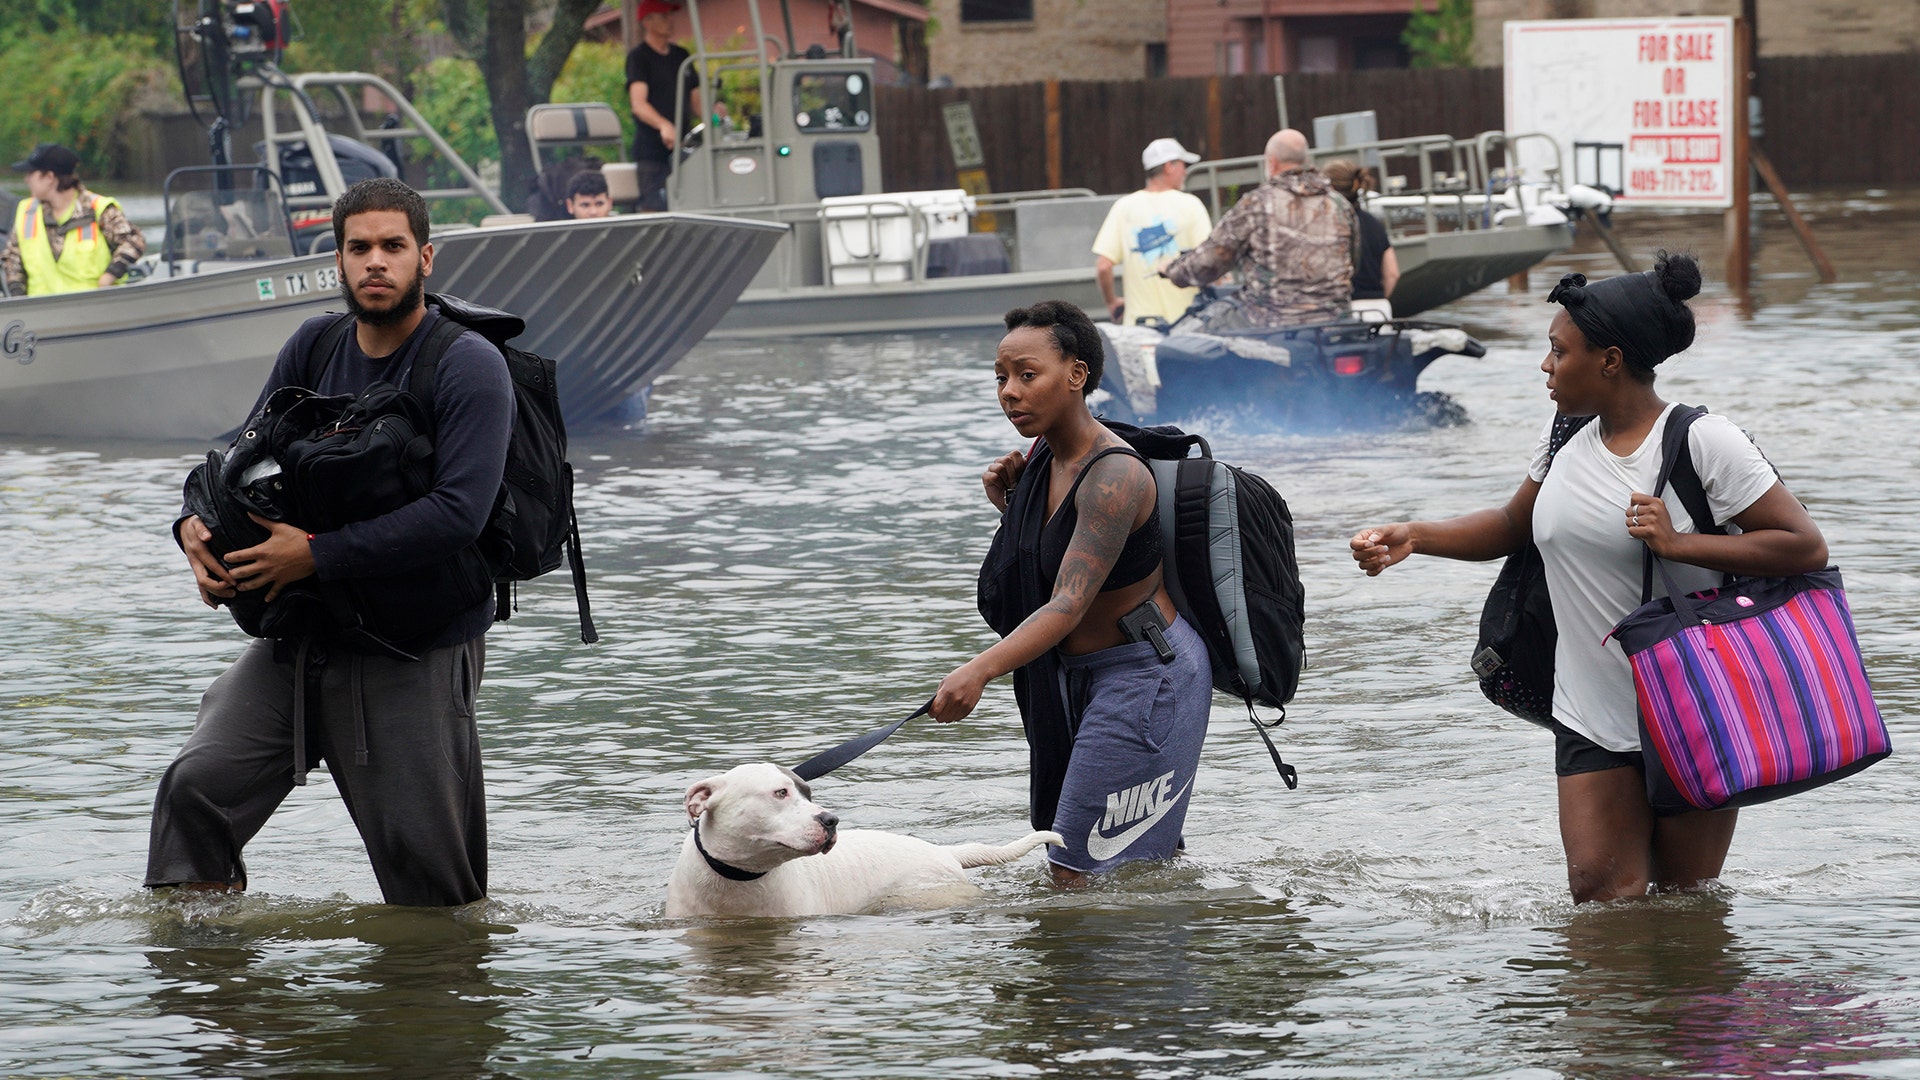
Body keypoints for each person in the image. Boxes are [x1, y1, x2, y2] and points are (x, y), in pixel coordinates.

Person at [1348, 253, 1828, 904]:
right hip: (1589, 712)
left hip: (1696, 706)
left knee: (1686, 904)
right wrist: (1417, 536)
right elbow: (1515, 523)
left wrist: (1678, 541)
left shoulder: (1702, 441)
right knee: (1601, 896)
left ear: (1609, 360)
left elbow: (1804, 547)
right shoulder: (1567, 436)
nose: (1545, 367)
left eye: (1558, 352)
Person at [146, 177, 516, 907]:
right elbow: (240, 461)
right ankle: (206, 985)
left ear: (426, 258)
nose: (375, 262)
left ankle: (436, 1008)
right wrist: (192, 522)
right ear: (338, 262)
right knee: (197, 789)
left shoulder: (468, 364)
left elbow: (457, 514)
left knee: (429, 881)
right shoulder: (314, 344)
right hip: (304, 632)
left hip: (415, 644)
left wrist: (315, 553)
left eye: (393, 247)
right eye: (359, 248)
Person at [933, 300, 1213, 886]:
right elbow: (1042, 560)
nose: (1009, 392)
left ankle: (1133, 966)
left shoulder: (1112, 476)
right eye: (1001, 378)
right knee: (1107, 858)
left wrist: (978, 671)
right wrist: (1008, 505)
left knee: (1075, 870)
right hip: (1071, 678)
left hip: (1144, 675)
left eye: (1027, 375)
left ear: (1077, 374)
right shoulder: (1042, 460)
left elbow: (1066, 603)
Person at [1164, 129, 1357, 330]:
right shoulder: (1339, 204)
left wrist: (1173, 271)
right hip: (1336, 322)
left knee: (1196, 336)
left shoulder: (1258, 204)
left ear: (1271, 162)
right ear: (1305, 160)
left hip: (1274, 325)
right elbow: (1353, 260)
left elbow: (1210, 261)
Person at [1090, 138, 1212, 326]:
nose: (1186, 171)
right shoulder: (1191, 205)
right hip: (1188, 323)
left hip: (1140, 326)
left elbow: (1103, 266)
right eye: (1182, 165)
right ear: (1169, 166)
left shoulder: (1124, 207)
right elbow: (1208, 260)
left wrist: (1111, 301)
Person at [2, 143, 145, 297]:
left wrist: (108, 277)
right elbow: (12, 259)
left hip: (95, 306)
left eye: (31, 174)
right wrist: (18, 296)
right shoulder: (26, 211)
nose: (26, 179)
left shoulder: (97, 208)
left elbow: (134, 241)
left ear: (50, 177)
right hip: (42, 312)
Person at [625, 0, 700, 213]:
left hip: (685, 151)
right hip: (652, 152)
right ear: (647, 22)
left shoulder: (681, 56)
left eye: (670, 15)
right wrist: (663, 125)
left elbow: (696, 100)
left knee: (689, 207)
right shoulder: (639, 57)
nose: (670, 20)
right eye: (664, 15)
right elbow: (638, 104)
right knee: (653, 209)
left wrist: (715, 116)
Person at [1322, 158, 1398, 317]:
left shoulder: (1326, 225)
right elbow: (1392, 274)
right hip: (1379, 308)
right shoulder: (1374, 223)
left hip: (1343, 310)